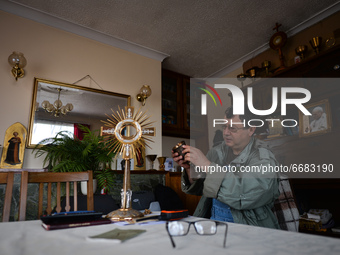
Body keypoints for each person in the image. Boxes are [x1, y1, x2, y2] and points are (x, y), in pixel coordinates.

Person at [172, 106, 280, 229]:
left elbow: (244, 193)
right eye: (224, 127)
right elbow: (202, 187)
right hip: (213, 225)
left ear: (251, 129)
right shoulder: (217, 151)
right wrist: (188, 168)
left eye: (232, 128)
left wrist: (207, 165)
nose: (226, 133)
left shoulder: (264, 158)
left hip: (249, 230)